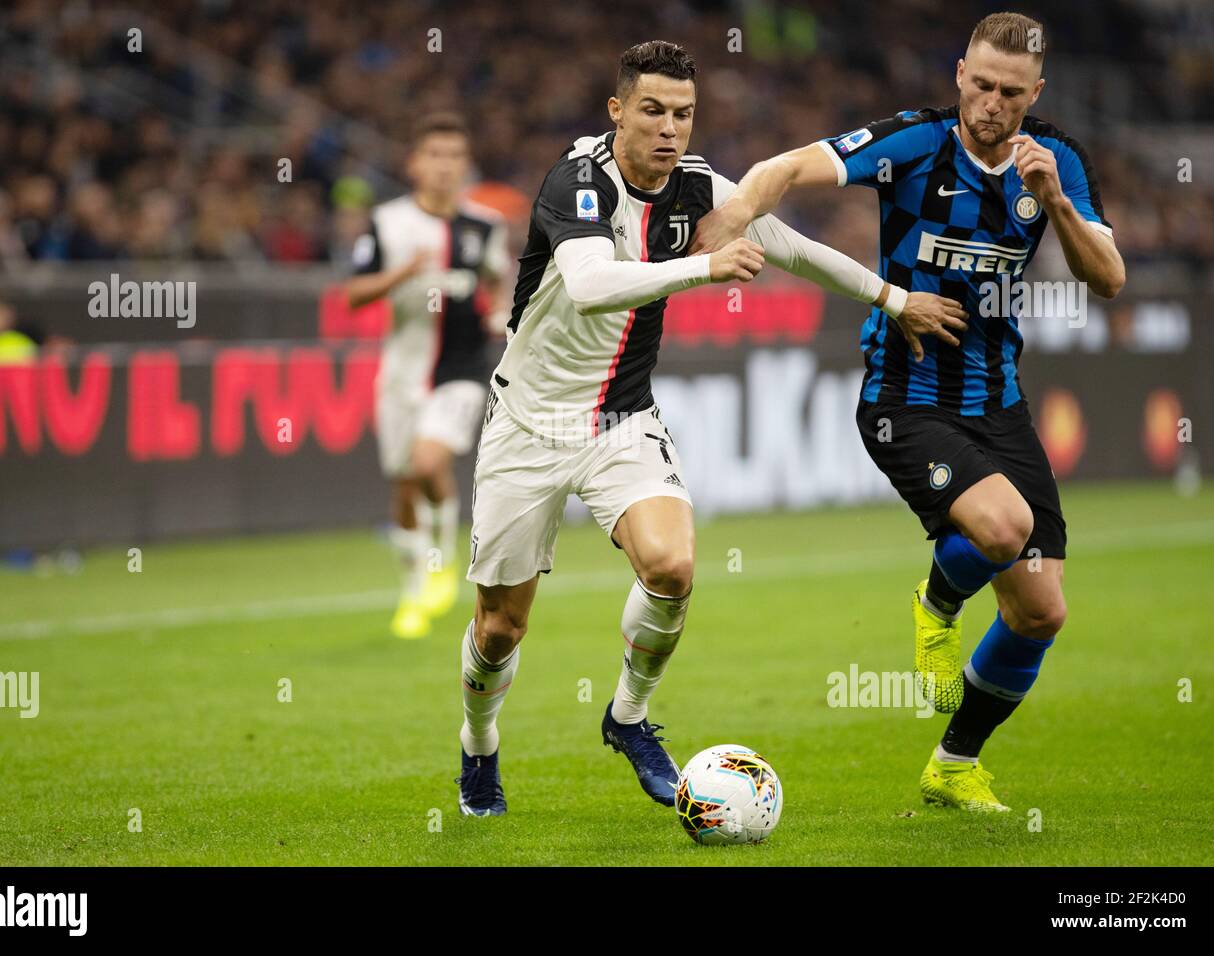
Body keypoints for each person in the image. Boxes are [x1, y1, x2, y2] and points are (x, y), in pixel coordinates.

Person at [455, 40, 964, 816]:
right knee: (500, 628)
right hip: (527, 421)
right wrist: (705, 268)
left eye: (684, 114)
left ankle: (627, 719)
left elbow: (794, 249)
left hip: (620, 419)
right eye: (652, 110)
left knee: (672, 568)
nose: (669, 129)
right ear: (617, 109)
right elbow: (591, 285)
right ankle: (479, 745)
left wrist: (893, 300)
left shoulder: (698, 189)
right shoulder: (577, 181)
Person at [692, 12, 1125, 812]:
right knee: (1002, 528)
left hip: (998, 401)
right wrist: (738, 209)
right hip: (905, 394)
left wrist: (1056, 205)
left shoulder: (1056, 160)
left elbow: (1109, 279)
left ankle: (953, 764)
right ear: (960, 73)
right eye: (983, 85)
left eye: (1012, 93)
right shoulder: (916, 143)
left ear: (1037, 93)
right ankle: (936, 603)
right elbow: (787, 165)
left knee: (1040, 611)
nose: (993, 104)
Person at [346, 114, 511, 640]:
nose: (444, 166)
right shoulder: (388, 223)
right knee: (403, 482)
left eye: (454, 156)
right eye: (434, 155)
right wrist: (403, 273)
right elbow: (353, 294)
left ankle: (442, 562)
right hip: (402, 369)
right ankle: (412, 591)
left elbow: (499, 278)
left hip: (461, 367)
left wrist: (500, 313)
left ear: (465, 166)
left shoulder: (484, 225)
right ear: (415, 163)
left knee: (427, 460)